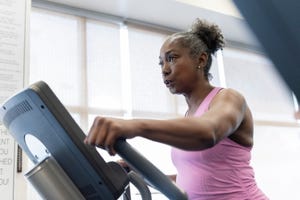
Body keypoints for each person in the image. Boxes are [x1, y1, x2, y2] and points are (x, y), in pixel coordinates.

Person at [85, 18, 268, 200]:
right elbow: (189, 182)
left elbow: (208, 132)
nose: (164, 69)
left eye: (171, 58)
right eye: (161, 63)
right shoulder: (190, 117)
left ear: (201, 60)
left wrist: (135, 126)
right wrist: (140, 172)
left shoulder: (229, 98)